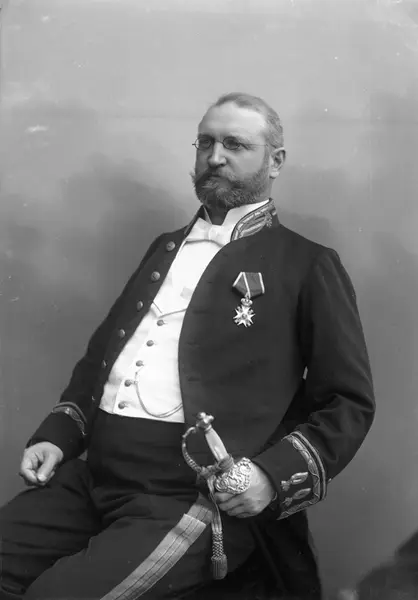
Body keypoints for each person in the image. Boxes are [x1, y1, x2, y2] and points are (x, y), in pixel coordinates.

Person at [0, 92, 375, 600]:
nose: (215, 157)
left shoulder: (307, 264)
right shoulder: (165, 247)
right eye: (205, 143)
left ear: (275, 162)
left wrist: (271, 477)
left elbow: (347, 402)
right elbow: (101, 361)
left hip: (187, 496)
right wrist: (60, 435)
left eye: (235, 145)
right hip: (94, 477)